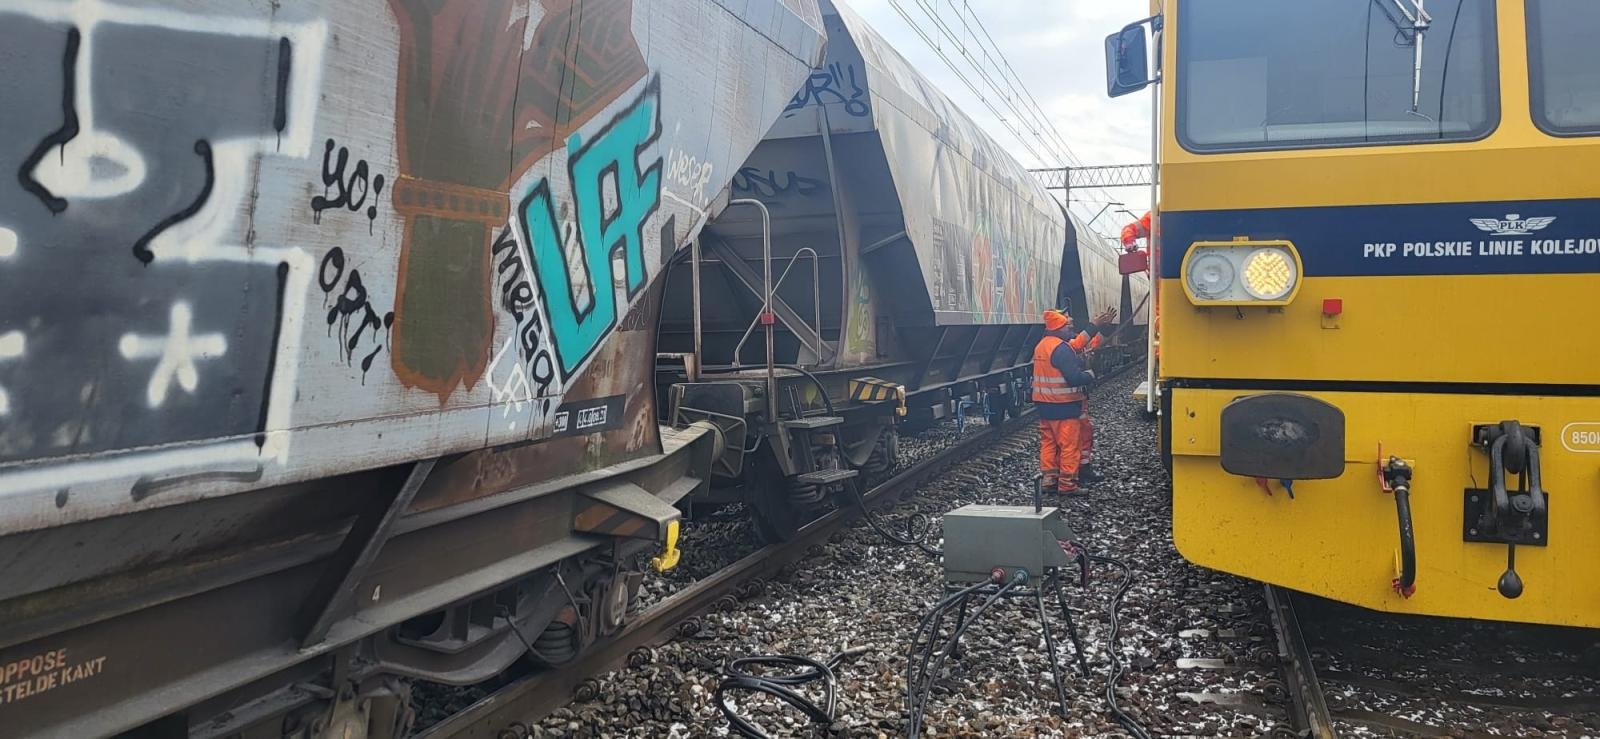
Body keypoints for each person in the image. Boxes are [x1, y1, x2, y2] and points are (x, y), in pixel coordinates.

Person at [1033, 309, 1096, 494]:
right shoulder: (1061, 349)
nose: (1071, 329)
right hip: (1064, 405)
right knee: (1069, 446)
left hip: (1044, 405)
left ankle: (1049, 481)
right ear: (1058, 328)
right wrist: (1090, 374)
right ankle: (1068, 485)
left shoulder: (1042, 346)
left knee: (1048, 443)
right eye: (1067, 326)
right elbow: (1074, 377)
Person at [1067, 307, 1117, 484]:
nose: (1070, 323)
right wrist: (1095, 325)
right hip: (1070, 400)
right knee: (1073, 437)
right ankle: (1071, 475)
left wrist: (1103, 327)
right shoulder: (1063, 346)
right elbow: (1080, 343)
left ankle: (1080, 468)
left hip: (1077, 398)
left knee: (1084, 432)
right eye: (1067, 322)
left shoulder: (1066, 343)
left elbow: (1093, 342)